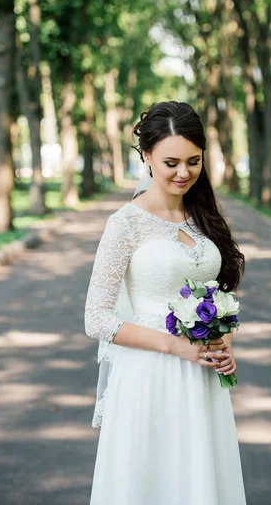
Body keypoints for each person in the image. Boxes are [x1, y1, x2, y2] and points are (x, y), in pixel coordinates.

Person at [84, 100, 248, 504]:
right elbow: (97, 319)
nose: (184, 172)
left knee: (201, 482)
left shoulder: (202, 215)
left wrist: (225, 343)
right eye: (171, 162)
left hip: (203, 378)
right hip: (150, 376)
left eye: (194, 161)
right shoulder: (125, 223)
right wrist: (175, 346)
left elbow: (219, 292)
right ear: (146, 157)